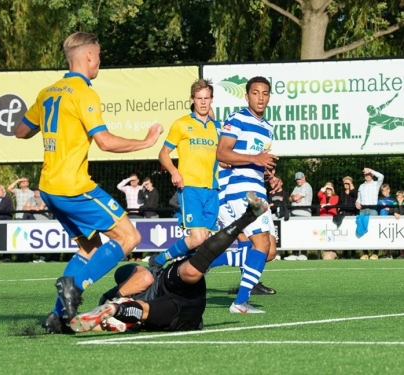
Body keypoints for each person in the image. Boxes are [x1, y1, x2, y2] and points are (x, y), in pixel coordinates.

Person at [13, 31, 163, 328]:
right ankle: (75, 287)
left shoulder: (48, 92)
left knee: (89, 248)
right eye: (99, 55)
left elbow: (20, 131)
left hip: (49, 189)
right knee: (129, 237)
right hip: (74, 186)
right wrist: (145, 142)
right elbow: (105, 142)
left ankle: (57, 316)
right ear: (89, 56)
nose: (100, 61)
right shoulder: (85, 93)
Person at [66, 192, 268, 333]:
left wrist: (114, 301)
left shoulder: (139, 277)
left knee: (187, 272)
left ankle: (116, 307)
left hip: (173, 295)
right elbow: (87, 324)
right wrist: (110, 317)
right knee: (144, 307)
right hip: (180, 312)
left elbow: (134, 277)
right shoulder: (140, 285)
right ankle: (118, 310)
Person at [214, 76, 279, 312]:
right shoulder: (237, 118)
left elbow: (259, 163)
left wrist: (271, 177)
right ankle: (240, 302)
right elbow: (222, 153)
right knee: (259, 245)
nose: (260, 98)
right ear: (247, 95)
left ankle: (202, 262)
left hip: (257, 189)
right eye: (255, 93)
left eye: (265, 93)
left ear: (269, 97)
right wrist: (254, 159)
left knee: (268, 251)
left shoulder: (268, 128)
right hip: (242, 191)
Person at [150, 78, 220, 269]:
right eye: (199, 98)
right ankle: (159, 260)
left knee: (203, 239)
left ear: (212, 99)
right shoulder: (182, 124)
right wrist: (174, 172)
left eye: (207, 98)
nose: (203, 102)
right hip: (190, 187)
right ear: (192, 100)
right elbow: (163, 153)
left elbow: (224, 156)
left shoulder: (218, 127)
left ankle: (178, 269)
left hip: (212, 189)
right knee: (197, 237)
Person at [355, 167, 384, 260]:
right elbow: (359, 197)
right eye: (366, 175)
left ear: (371, 175)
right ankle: (365, 253)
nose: (367, 176)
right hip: (363, 210)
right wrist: (357, 202)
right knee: (362, 230)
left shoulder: (376, 184)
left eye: (369, 174)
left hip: (373, 210)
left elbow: (381, 176)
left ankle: (375, 253)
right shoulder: (361, 186)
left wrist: (371, 170)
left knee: (374, 231)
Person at [285, 172, 313, 261]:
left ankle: (304, 254)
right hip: (294, 213)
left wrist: (294, 197)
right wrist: (294, 197)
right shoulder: (296, 187)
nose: (298, 181)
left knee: (304, 234)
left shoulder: (307, 186)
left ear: (304, 178)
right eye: (297, 179)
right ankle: (294, 253)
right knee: (295, 234)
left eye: (299, 179)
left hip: (304, 213)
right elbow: (290, 198)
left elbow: (294, 198)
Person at [379, 184, 397, 259]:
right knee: (384, 236)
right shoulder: (380, 198)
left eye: (386, 190)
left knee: (391, 236)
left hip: (391, 220)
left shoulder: (393, 199)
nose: (384, 192)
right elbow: (378, 203)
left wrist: (387, 204)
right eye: (383, 191)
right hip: (382, 222)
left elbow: (395, 203)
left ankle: (390, 253)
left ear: (389, 190)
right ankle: (386, 253)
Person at [389, 190, 404, 259]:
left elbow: (401, 213)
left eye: (401, 197)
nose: (399, 199)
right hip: (395, 225)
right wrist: (395, 212)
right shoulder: (394, 203)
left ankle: (402, 254)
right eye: (398, 197)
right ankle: (389, 254)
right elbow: (390, 210)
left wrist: (400, 205)